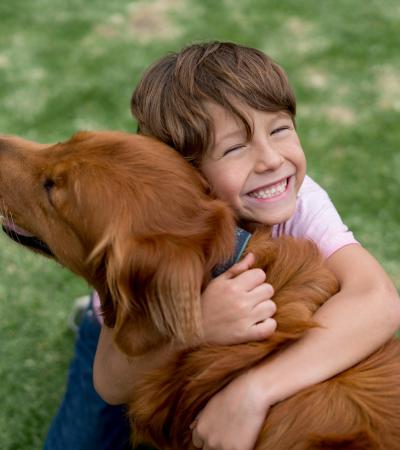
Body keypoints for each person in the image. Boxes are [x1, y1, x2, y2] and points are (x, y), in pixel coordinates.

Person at [45, 41, 400, 450]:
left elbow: (378, 300)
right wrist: (197, 327)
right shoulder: (148, 231)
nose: (270, 160)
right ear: (187, 174)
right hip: (143, 332)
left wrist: (254, 392)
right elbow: (111, 383)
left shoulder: (299, 200)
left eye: (280, 129)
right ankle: (89, 322)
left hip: (241, 340)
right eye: (234, 148)